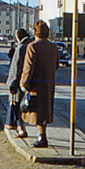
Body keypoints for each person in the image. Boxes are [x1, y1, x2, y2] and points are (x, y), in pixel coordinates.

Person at [19, 20, 61, 148]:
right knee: (44, 110)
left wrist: (23, 83)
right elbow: (56, 65)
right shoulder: (53, 47)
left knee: (31, 109)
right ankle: (42, 136)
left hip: (35, 84)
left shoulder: (32, 47)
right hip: (48, 83)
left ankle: (40, 138)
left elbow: (28, 68)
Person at [5, 28, 32, 138]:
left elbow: (16, 67)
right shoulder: (31, 45)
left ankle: (21, 129)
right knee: (25, 106)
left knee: (19, 106)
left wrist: (12, 83)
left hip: (20, 81)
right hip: (31, 81)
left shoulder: (21, 47)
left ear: (18, 37)